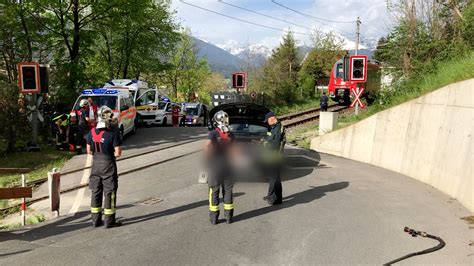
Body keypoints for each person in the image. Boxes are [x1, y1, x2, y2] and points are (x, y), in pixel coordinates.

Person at [86, 106, 122, 228]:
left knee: (95, 192)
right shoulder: (113, 133)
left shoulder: (90, 133)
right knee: (109, 193)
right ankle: (109, 221)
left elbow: (88, 151)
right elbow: (118, 153)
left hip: (95, 166)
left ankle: (95, 221)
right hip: (108, 166)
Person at [204, 110, 236, 224]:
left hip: (215, 167)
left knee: (214, 191)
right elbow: (233, 151)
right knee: (228, 191)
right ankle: (229, 217)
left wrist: (208, 159)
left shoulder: (213, 134)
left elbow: (207, 146)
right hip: (228, 167)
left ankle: (214, 218)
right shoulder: (231, 134)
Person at [262, 112, 285, 205]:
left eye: (267, 121)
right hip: (273, 156)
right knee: (276, 178)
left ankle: (271, 197)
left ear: (272, 118)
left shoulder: (278, 128)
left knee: (272, 178)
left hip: (274, 157)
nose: (267, 123)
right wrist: (265, 140)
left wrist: (264, 143)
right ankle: (278, 199)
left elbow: (275, 144)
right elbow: (270, 138)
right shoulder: (274, 127)